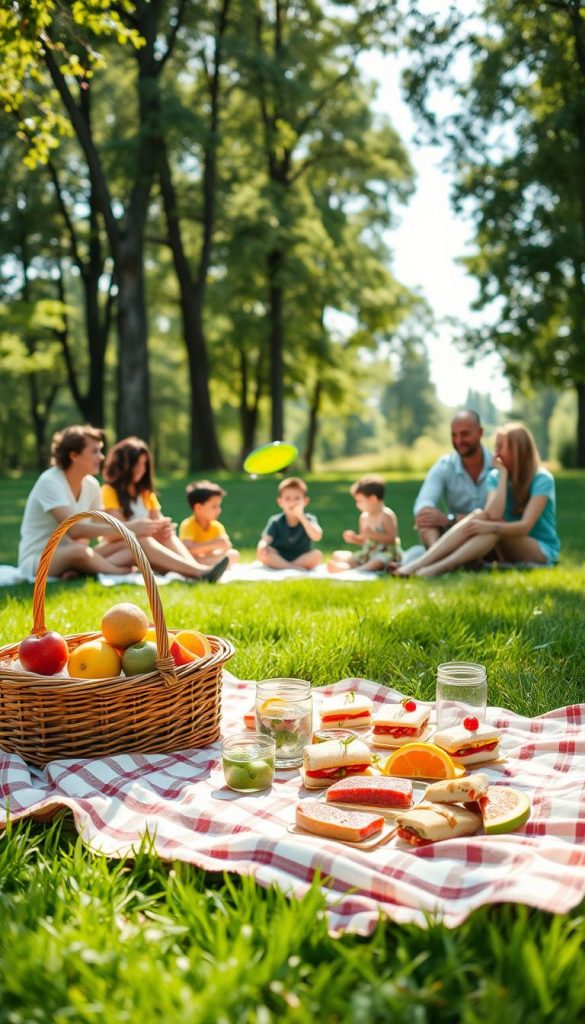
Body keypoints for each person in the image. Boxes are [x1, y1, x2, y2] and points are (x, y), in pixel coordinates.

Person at [397, 422, 560, 577]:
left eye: (501, 447)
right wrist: (502, 476)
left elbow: (524, 527)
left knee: (490, 528)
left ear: (517, 450)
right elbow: (492, 514)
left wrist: (490, 527)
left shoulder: (542, 479)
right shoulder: (496, 476)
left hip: (538, 548)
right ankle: (420, 564)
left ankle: (438, 567)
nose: (495, 454)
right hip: (504, 539)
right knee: (479, 515)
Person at [100, 437, 229, 582]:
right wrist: (147, 529)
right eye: (136, 463)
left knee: (165, 535)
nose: (141, 469)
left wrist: (164, 527)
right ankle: (198, 572)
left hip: (143, 547)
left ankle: (195, 570)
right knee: (143, 539)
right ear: (123, 464)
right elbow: (116, 532)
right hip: (116, 548)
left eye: (144, 464)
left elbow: (157, 520)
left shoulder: (146, 493)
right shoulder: (109, 491)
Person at [17, 425, 135, 579]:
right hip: (38, 561)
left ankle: (81, 570)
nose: (102, 457)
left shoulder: (91, 484)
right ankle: (119, 572)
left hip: (76, 553)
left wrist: (133, 529)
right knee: (79, 551)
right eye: (95, 451)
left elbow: (99, 525)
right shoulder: (50, 481)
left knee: (137, 544)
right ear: (74, 455)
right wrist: (128, 529)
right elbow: (74, 530)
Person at [413, 410, 493, 549]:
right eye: (454, 435)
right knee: (427, 522)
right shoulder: (444, 466)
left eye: (464, 434)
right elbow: (424, 501)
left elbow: (496, 519)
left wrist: (449, 520)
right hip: (453, 535)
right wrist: (427, 512)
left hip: (487, 534)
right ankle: (436, 556)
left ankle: (438, 559)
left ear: (480, 433)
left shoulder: (497, 468)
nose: (458, 441)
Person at [327, 475, 402, 573]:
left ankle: (357, 570)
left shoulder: (386, 515)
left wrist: (374, 535)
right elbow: (364, 540)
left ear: (373, 499)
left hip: (385, 554)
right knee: (337, 555)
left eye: (360, 501)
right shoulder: (364, 517)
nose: (357, 504)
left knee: (379, 560)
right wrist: (354, 539)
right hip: (368, 554)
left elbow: (392, 539)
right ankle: (346, 568)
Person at [257, 477, 323, 570]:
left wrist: (302, 517)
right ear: (280, 502)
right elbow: (266, 539)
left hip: (301, 556)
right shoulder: (276, 521)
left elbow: (317, 536)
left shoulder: (309, 519)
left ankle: (285, 566)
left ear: (305, 501)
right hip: (279, 555)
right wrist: (262, 545)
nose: (292, 502)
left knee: (317, 555)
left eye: (297, 498)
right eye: (287, 499)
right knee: (265, 553)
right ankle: (292, 567)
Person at [179, 480, 240, 566]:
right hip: (193, 559)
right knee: (189, 559)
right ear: (198, 507)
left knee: (233, 554)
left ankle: (212, 565)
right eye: (214, 507)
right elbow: (188, 549)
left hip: (208, 558)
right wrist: (214, 544)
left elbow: (226, 545)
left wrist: (222, 546)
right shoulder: (188, 525)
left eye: (219, 506)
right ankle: (212, 566)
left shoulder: (217, 526)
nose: (219, 510)